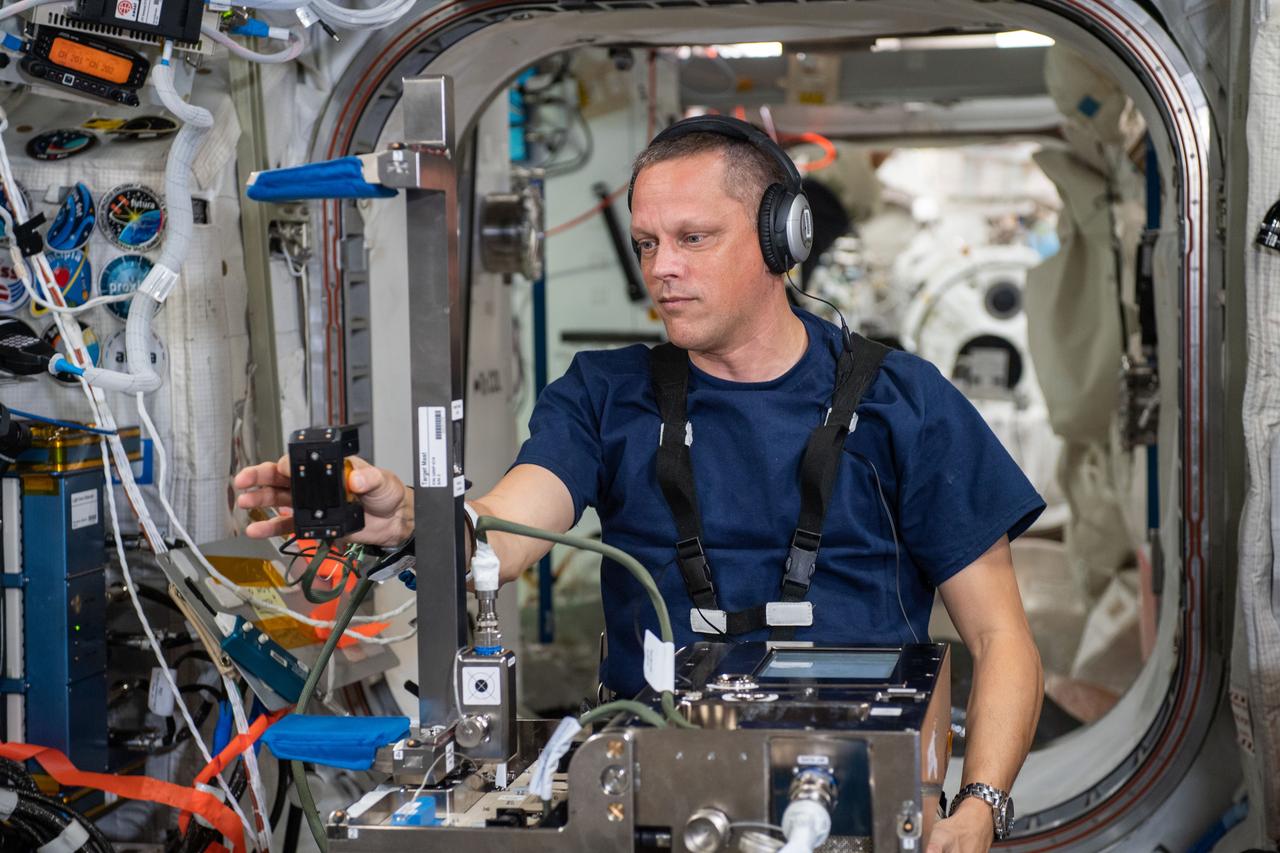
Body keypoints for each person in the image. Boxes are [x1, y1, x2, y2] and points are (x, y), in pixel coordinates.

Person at [234, 116, 1045, 852]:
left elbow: (1002, 637)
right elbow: (508, 535)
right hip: (647, 786)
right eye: (648, 243)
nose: (664, 268)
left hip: (857, 792)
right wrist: (410, 513)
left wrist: (979, 805)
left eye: (694, 238)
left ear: (780, 239)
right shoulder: (605, 394)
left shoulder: (903, 401)